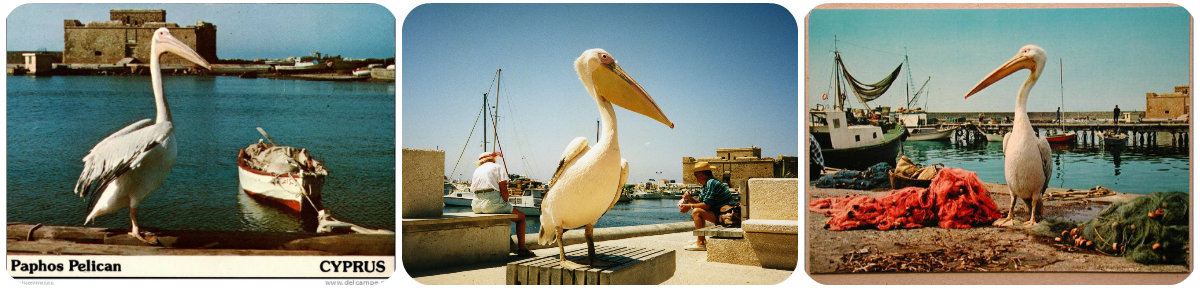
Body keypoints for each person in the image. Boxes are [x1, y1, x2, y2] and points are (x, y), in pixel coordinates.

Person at [470, 151, 534, 257]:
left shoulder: (477, 170)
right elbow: (504, 191)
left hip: (476, 205)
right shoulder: (497, 167)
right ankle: (522, 249)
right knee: (521, 217)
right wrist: (506, 202)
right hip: (492, 203)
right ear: (493, 159)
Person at [678, 162, 738, 251]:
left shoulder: (712, 183)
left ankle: (701, 243)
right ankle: (701, 240)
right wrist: (689, 198)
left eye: (697, 176)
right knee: (697, 210)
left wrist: (689, 206)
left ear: (703, 175)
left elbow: (706, 205)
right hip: (719, 214)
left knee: (697, 212)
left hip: (727, 216)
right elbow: (700, 201)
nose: (697, 179)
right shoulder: (707, 184)